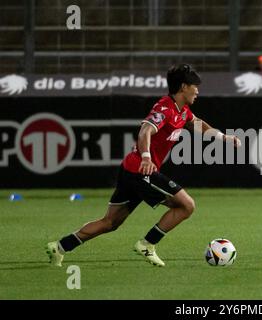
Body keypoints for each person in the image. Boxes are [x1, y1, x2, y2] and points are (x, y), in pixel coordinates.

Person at [46, 64, 241, 267]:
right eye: (194, 85)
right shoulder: (164, 108)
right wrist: (147, 157)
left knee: (110, 223)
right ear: (184, 87)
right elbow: (145, 130)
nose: (198, 90)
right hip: (142, 170)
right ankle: (147, 244)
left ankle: (60, 247)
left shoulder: (182, 111)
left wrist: (223, 137)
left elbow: (198, 124)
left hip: (131, 169)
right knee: (187, 206)